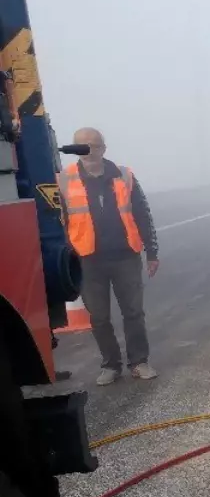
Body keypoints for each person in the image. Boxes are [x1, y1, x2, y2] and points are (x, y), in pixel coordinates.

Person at [59, 127, 160, 386]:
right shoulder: (63, 179)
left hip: (125, 256)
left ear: (104, 148)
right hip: (88, 260)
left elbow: (142, 213)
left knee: (133, 312)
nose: (89, 150)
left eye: (94, 145)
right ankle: (111, 365)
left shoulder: (124, 175)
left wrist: (152, 252)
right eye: (82, 145)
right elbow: (59, 222)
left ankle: (139, 362)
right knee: (99, 317)